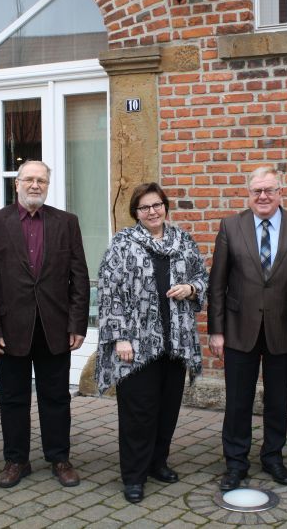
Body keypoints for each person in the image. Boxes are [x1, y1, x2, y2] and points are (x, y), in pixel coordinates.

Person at [0, 160, 90, 489]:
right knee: (13, 397)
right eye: (29, 179)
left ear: (47, 185)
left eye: (41, 180)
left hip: (54, 327)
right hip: (9, 330)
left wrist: (77, 324)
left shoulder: (66, 223)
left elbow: (79, 277)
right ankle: (16, 460)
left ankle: (59, 458)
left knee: (56, 397)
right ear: (17, 184)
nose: (35, 185)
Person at [95, 183, 208, 504]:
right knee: (138, 413)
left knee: (167, 409)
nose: (152, 211)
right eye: (144, 207)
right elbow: (109, 292)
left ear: (165, 206)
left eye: (156, 205)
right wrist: (119, 338)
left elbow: (203, 276)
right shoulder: (122, 244)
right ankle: (134, 475)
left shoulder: (182, 240)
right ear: (136, 213)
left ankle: (158, 463)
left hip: (176, 341)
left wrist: (190, 287)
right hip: (137, 345)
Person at [208, 166, 287, 491]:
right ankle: (236, 462)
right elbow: (217, 284)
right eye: (257, 191)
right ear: (248, 194)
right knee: (238, 401)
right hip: (239, 329)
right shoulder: (231, 226)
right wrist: (216, 330)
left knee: (277, 400)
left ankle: (273, 456)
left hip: (283, 329)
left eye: (270, 190)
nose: (263, 196)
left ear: (281, 192)